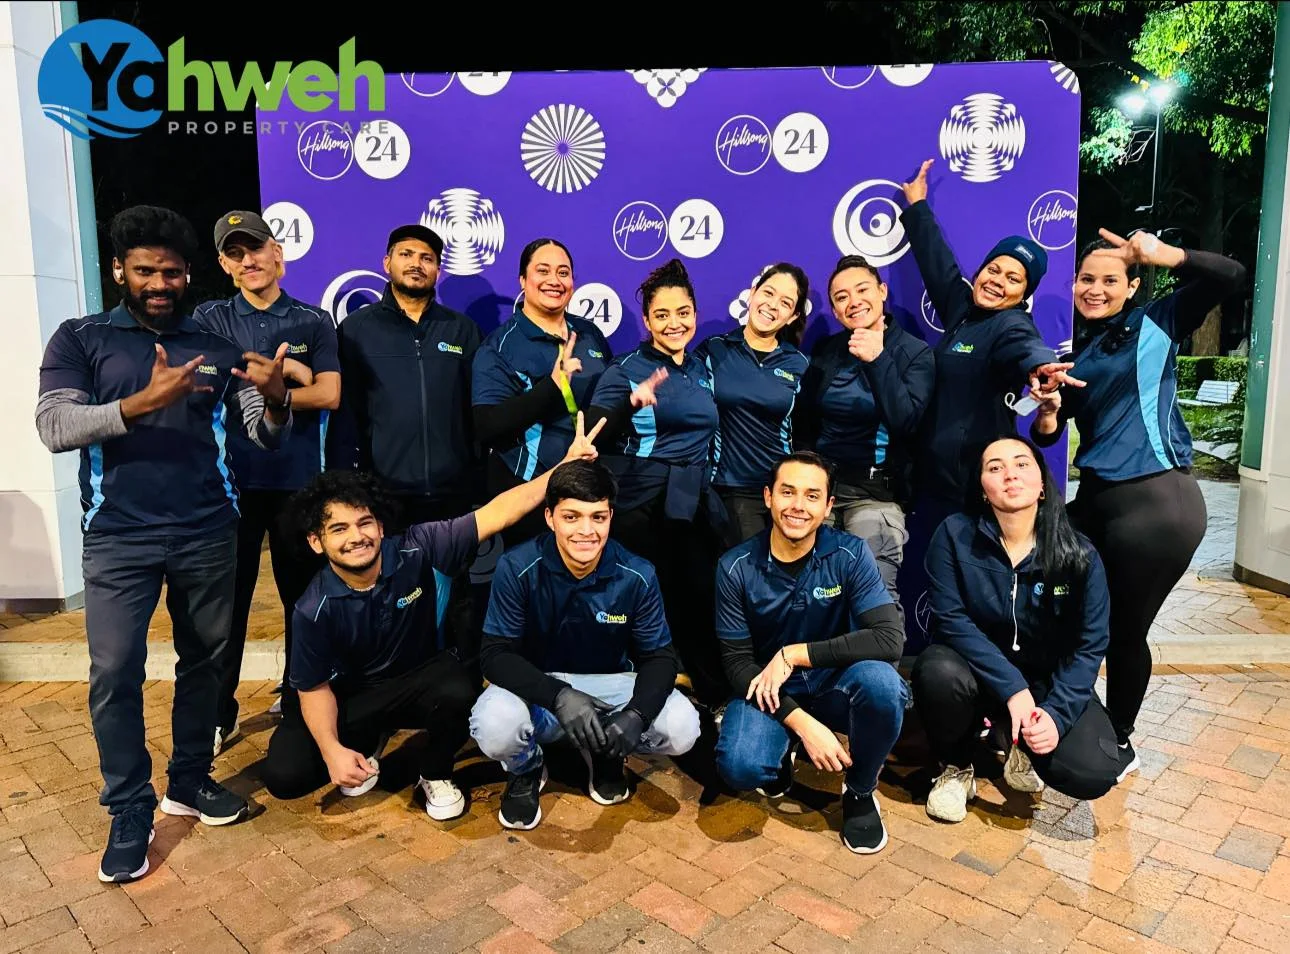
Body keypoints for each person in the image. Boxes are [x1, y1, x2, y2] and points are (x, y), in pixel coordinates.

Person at [35, 205, 293, 883]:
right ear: (119, 269)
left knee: (205, 663)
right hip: (118, 537)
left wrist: (276, 401)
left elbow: (263, 436)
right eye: (145, 270)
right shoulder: (82, 338)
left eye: (171, 272)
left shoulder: (214, 344)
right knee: (115, 672)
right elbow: (54, 427)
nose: (159, 283)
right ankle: (129, 808)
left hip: (209, 531)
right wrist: (138, 404)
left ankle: (190, 779)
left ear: (187, 276)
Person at [260, 414, 607, 818]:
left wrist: (562, 469)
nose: (356, 537)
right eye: (339, 529)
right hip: (352, 697)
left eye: (364, 523)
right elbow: (314, 689)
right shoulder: (311, 607)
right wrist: (332, 750)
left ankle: (435, 772)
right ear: (317, 542)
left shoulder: (419, 547)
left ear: (380, 525)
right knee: (286, 776)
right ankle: (364, 740)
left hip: (416, 682)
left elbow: (498, 513)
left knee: (459, 687)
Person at [1030, 228, 1247, 776]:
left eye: (1110, 280)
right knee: (1056, 603)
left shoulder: (1158, 320)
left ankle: (1120, 745)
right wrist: (1049, 410)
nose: (1095, 289)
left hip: (1157, 503)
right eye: (1086, 279)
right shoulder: (1077, 354)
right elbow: (1049, 432)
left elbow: (1231, 276)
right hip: (1097, 500)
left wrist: (1165, 255)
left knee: (1124, 633)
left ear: (1131, 287)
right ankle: (1061, 716)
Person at [894, 158, 1081, 648]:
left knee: (972, 593)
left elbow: (1028, 348)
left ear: (1024, 295)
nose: (997, 280)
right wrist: (917, 207)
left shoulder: (1010, 325)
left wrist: (1041, 368)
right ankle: (947, 675)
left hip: (970, 491)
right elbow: (938, 263)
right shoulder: (962, 310)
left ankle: (985, 678)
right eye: (993, 268)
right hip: (932, 485)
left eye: (1013, 278)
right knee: (940, 590)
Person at [468, 459, 701, 829]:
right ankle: (526, 767)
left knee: (682, 727)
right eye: (571, 517)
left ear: (611, 517)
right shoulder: (517, 566)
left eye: (598, 517)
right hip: (539, 686)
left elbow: (660, 657)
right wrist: (558, 695)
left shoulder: (637, 574)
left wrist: (636, 715)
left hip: (608, 687)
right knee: (493, 725)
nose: (586, 531)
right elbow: (495, 656)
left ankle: (607, 750)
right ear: (550, 517)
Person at [912, 436, 1121, 823]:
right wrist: (1012, 688)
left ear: (1042, 484)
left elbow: (1089, 647)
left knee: (1092, 771)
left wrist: (1056, 715)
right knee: (937, 670)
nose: (1010, 474)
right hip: (975, 673)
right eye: (995, 467)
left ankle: (1019, 743)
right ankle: (957, 767)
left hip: (1043, 682)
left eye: (1022, 464)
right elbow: (951, 620)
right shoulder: (954, 535)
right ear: (982, 489)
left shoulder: (1079, 555)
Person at [193, 210, 341, 751]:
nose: (248, 260)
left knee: (302, 600)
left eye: (255, 248)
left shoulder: (313, 320)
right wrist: (289, 382)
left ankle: (299, 697)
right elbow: (201, 388)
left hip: (297, 484)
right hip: (228, 486)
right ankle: (219, 712)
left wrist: (283, 388)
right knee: (225, 605)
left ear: (277, 253)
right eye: (235, 253)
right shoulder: (208, 318)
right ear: (223, 265)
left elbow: (330, 394)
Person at [713, 451, 907, 854]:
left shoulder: (850, 554)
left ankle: (859, 791)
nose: (798, 505)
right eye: (787, 492)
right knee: (740, 766)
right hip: (769, 691)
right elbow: (736, 663)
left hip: (833, 682)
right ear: (768, 497)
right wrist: (801, 723)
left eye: (812, 495)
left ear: (828, 506)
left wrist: (795, 654)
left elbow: (889, 638)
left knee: (884, 686)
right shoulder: (735, 566)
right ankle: (781, 751)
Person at [331, 224, 484, 668]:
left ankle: (458, 683)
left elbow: (477, 412)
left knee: (458, 597)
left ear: (438, 269)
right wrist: (348, 488)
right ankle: (392, 682)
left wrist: (476, 480)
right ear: (387, 263)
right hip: (387, 494)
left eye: (427, 258)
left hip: (454, 494)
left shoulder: (462, 330)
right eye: (406, 254)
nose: (416, 264)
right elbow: (346, 416)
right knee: (392, 596)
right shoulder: (356, 330)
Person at [586, 259, 729, 707]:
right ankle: (633, 702)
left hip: (694, 503)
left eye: (683, 312)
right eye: (662, 315)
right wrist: (629, 404)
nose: (674, 323)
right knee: (645, 605)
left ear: (695, 314)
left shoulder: (702, 366)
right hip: (642, 507)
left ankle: (713, 700)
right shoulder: (626, 368)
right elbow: (591, 433)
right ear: (647, 321)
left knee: (699, 604)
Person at [795, 254, 935, 616]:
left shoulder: (913, 353)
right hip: (821, 492)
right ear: (835, 310)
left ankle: (881, 657)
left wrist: (877, 359)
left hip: (875, 496)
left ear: (882, 291)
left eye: (862, 290)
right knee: (809, 600)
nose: (853, 301)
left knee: (874, 598)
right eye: (841, 297)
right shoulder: (828, 351)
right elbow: (805, 423)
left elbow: (906, 422)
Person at [472, 238, 614, 546]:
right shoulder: (500, 345)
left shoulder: (589, 334)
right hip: (531, 494)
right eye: (543, 271)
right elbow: (487, 425)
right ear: (523, 280)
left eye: (563, 272)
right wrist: (552, 387)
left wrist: (631, 402)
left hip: (588, 490)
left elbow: (605, 400)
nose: (554, 280)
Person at [695, 263, 810, 541]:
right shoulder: (714, 349)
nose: (773, 305)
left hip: (781, 493)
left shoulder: (799, 364)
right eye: (768, 293)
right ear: (753, 292)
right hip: (726, 488)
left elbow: (807, 431)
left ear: (793, 316)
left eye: (785, 303)